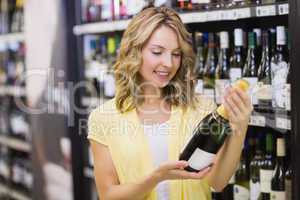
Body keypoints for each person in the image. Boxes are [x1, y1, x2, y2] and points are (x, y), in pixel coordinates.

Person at [87, 6, 252, 200]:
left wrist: (240, 126)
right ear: (134, 52)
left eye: (176, 54)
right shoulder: (103, 118)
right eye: (157, 52)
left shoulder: (201, 108)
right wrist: (157, 178)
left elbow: (217, 182)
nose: (169, 63)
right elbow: (108, 195)